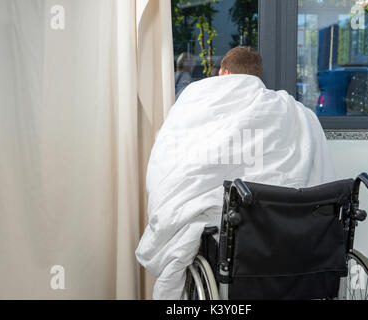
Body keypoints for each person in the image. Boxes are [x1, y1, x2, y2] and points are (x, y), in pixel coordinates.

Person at [136, 46, 336, 300]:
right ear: (257, 76)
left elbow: (170, 162)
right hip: (292, 229)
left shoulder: (198, 99)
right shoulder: (293, 111)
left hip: (237, 236)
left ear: (225, 73)